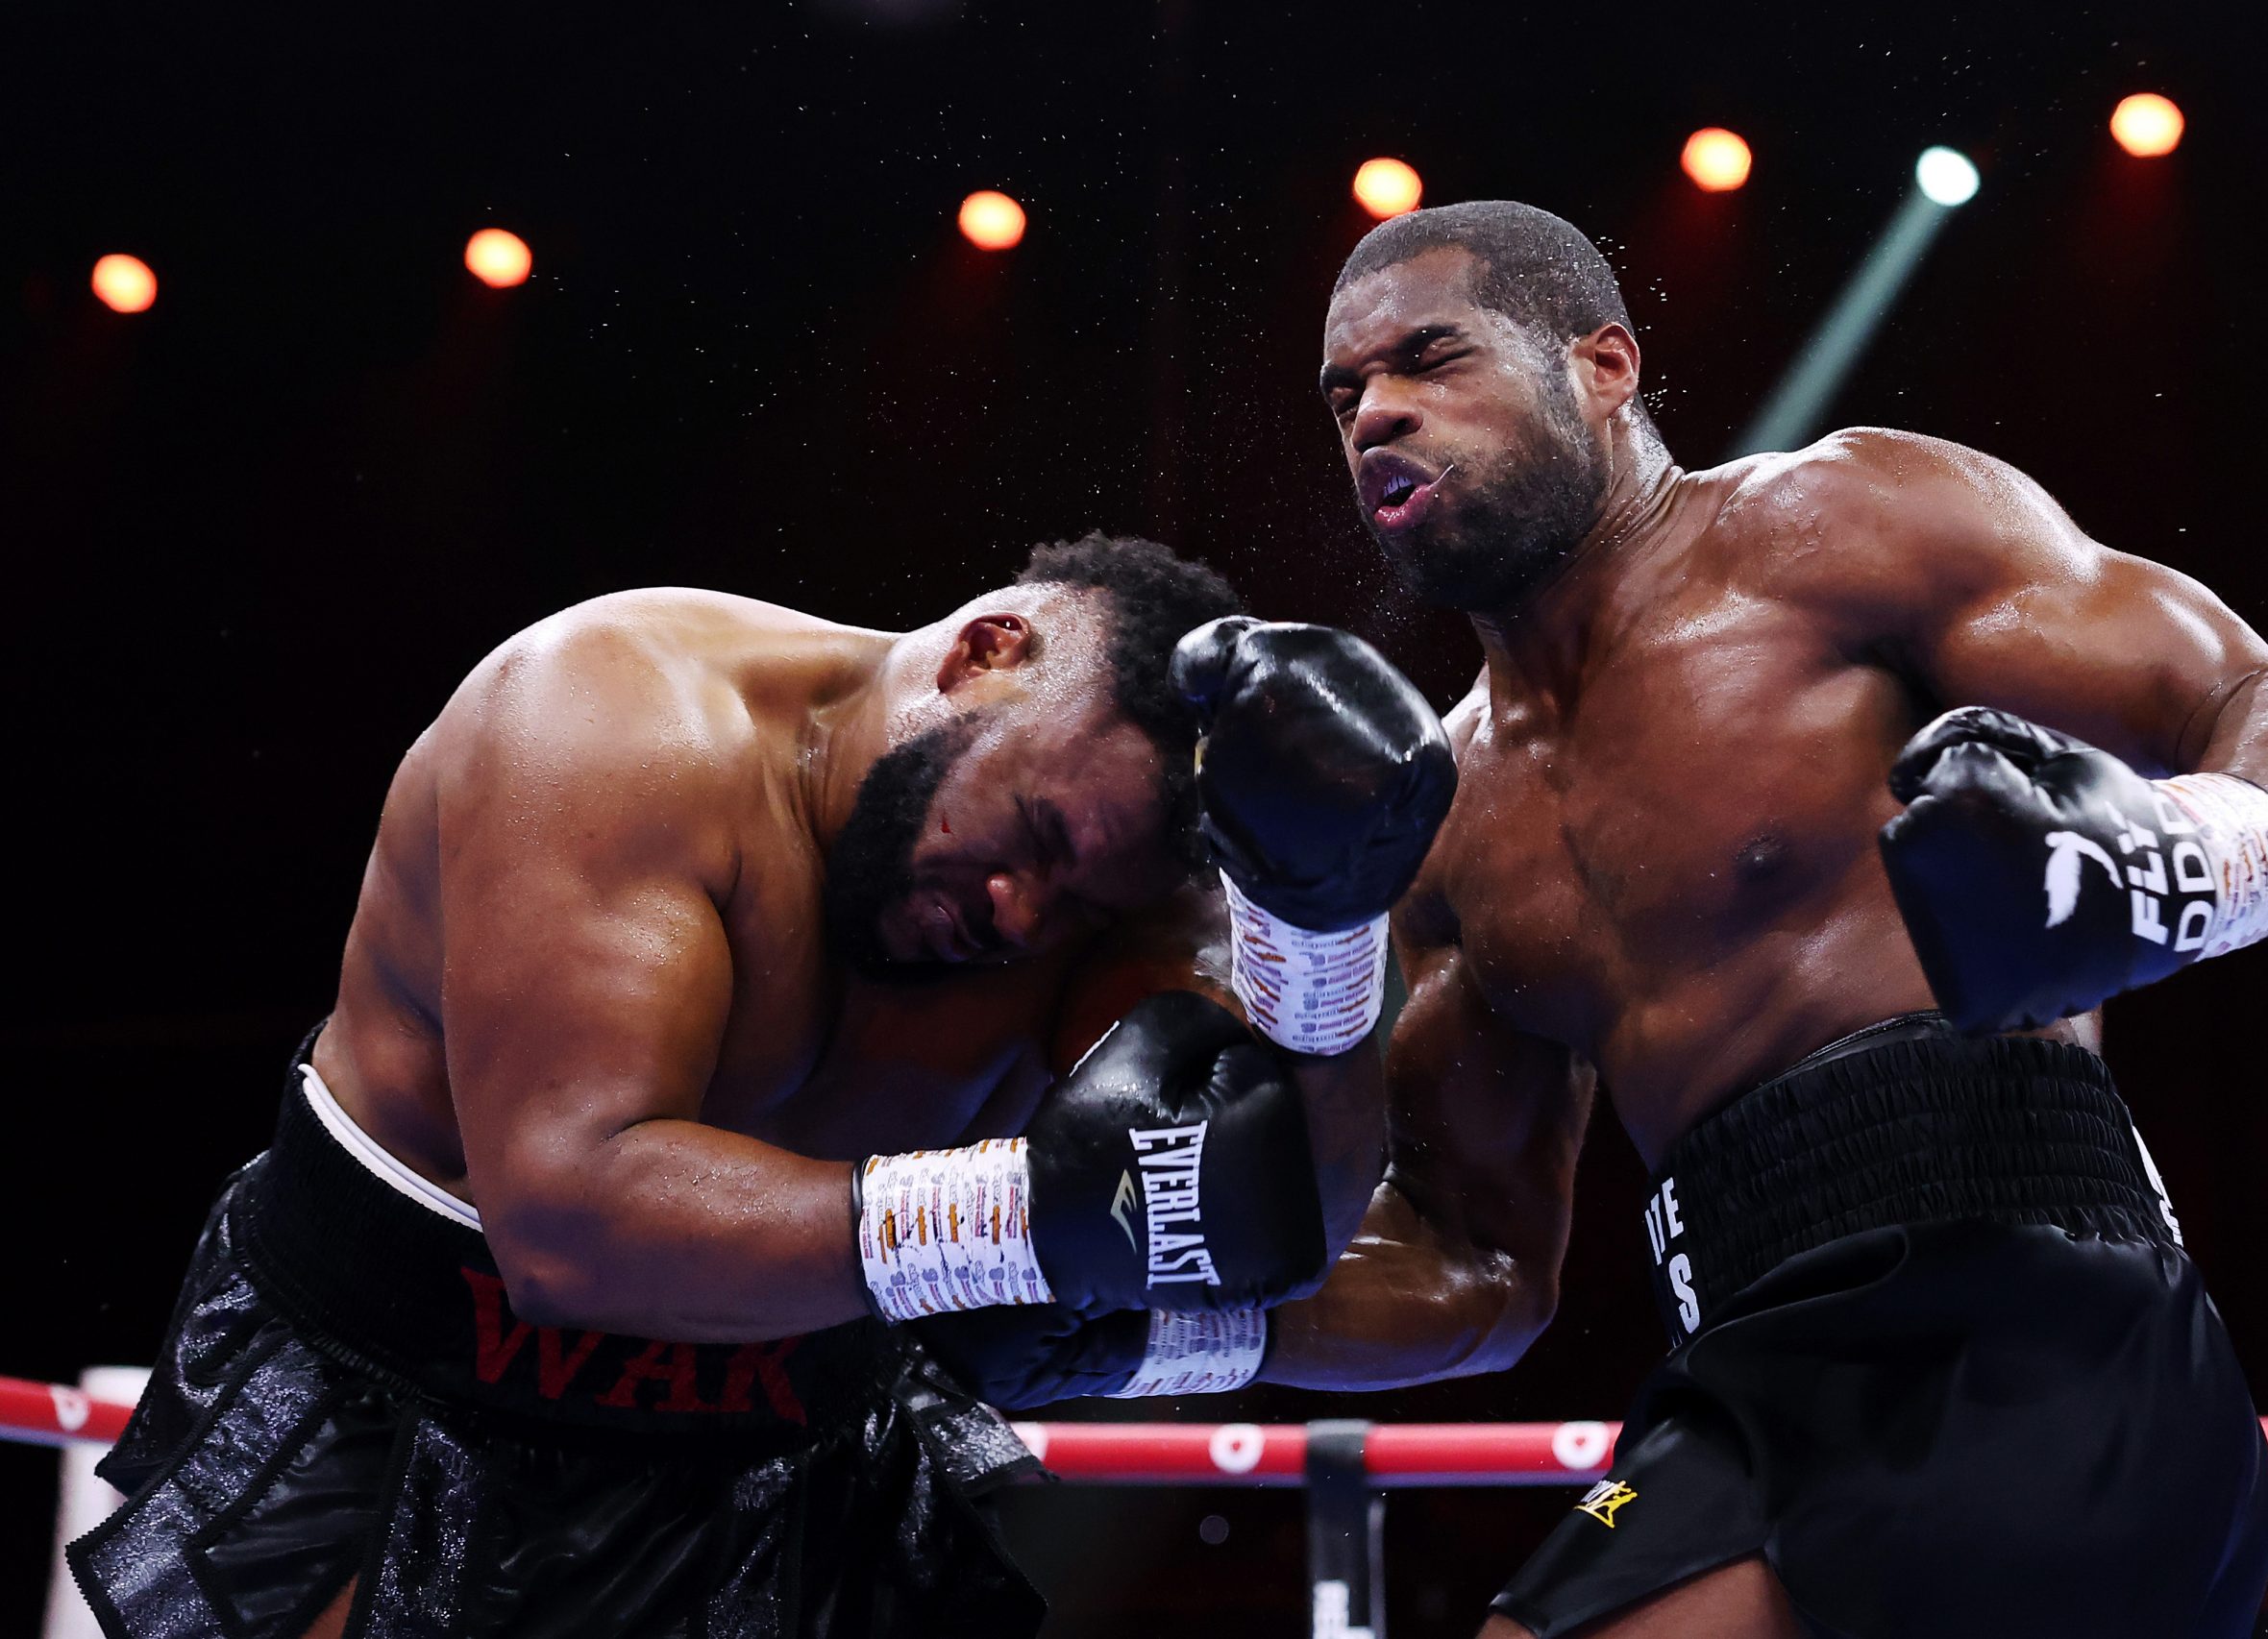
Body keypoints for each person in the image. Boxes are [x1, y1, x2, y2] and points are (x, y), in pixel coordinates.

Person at [960, 204, 2268, 1636]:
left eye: (1429, 359)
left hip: (2038, 1323)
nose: (1378, 413)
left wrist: (2172, 861)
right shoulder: (1443, 822)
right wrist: (1159, 1327)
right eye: (1346, 395)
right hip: (1746, 1380)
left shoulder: (1840, 527)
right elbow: (1478, 1267)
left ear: (1603, 365)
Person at [66, 533, 1454, 1639]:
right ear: (985, 652)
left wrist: (1322, 936)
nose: (1018, 909)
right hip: (409, 1373)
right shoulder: (614, 722)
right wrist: (1015, 1213)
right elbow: (566, 1221)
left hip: (781, 1431)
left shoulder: (1094, 897)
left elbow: (1276, 1219)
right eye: (1029, 832)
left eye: (1076, 896)